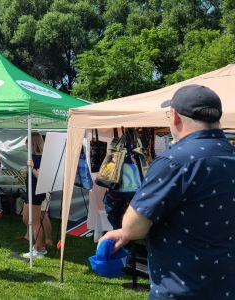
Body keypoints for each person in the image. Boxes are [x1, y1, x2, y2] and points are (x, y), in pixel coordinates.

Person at [99, 84, 235, 299]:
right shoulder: (230, 154)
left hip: (183, 288)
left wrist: (124, 232)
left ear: (175, 117)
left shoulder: (174, 161)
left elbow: (133, 227)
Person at [22, 132, 48, 258]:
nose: (25, 145)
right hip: (30, 191)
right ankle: (39, 245)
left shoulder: (41, 158)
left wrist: (32, 168)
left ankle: (39, 249)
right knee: (26, 219)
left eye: (27, 142)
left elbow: (41, 177)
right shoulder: (32, 157)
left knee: (35, 221)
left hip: (36, 192)